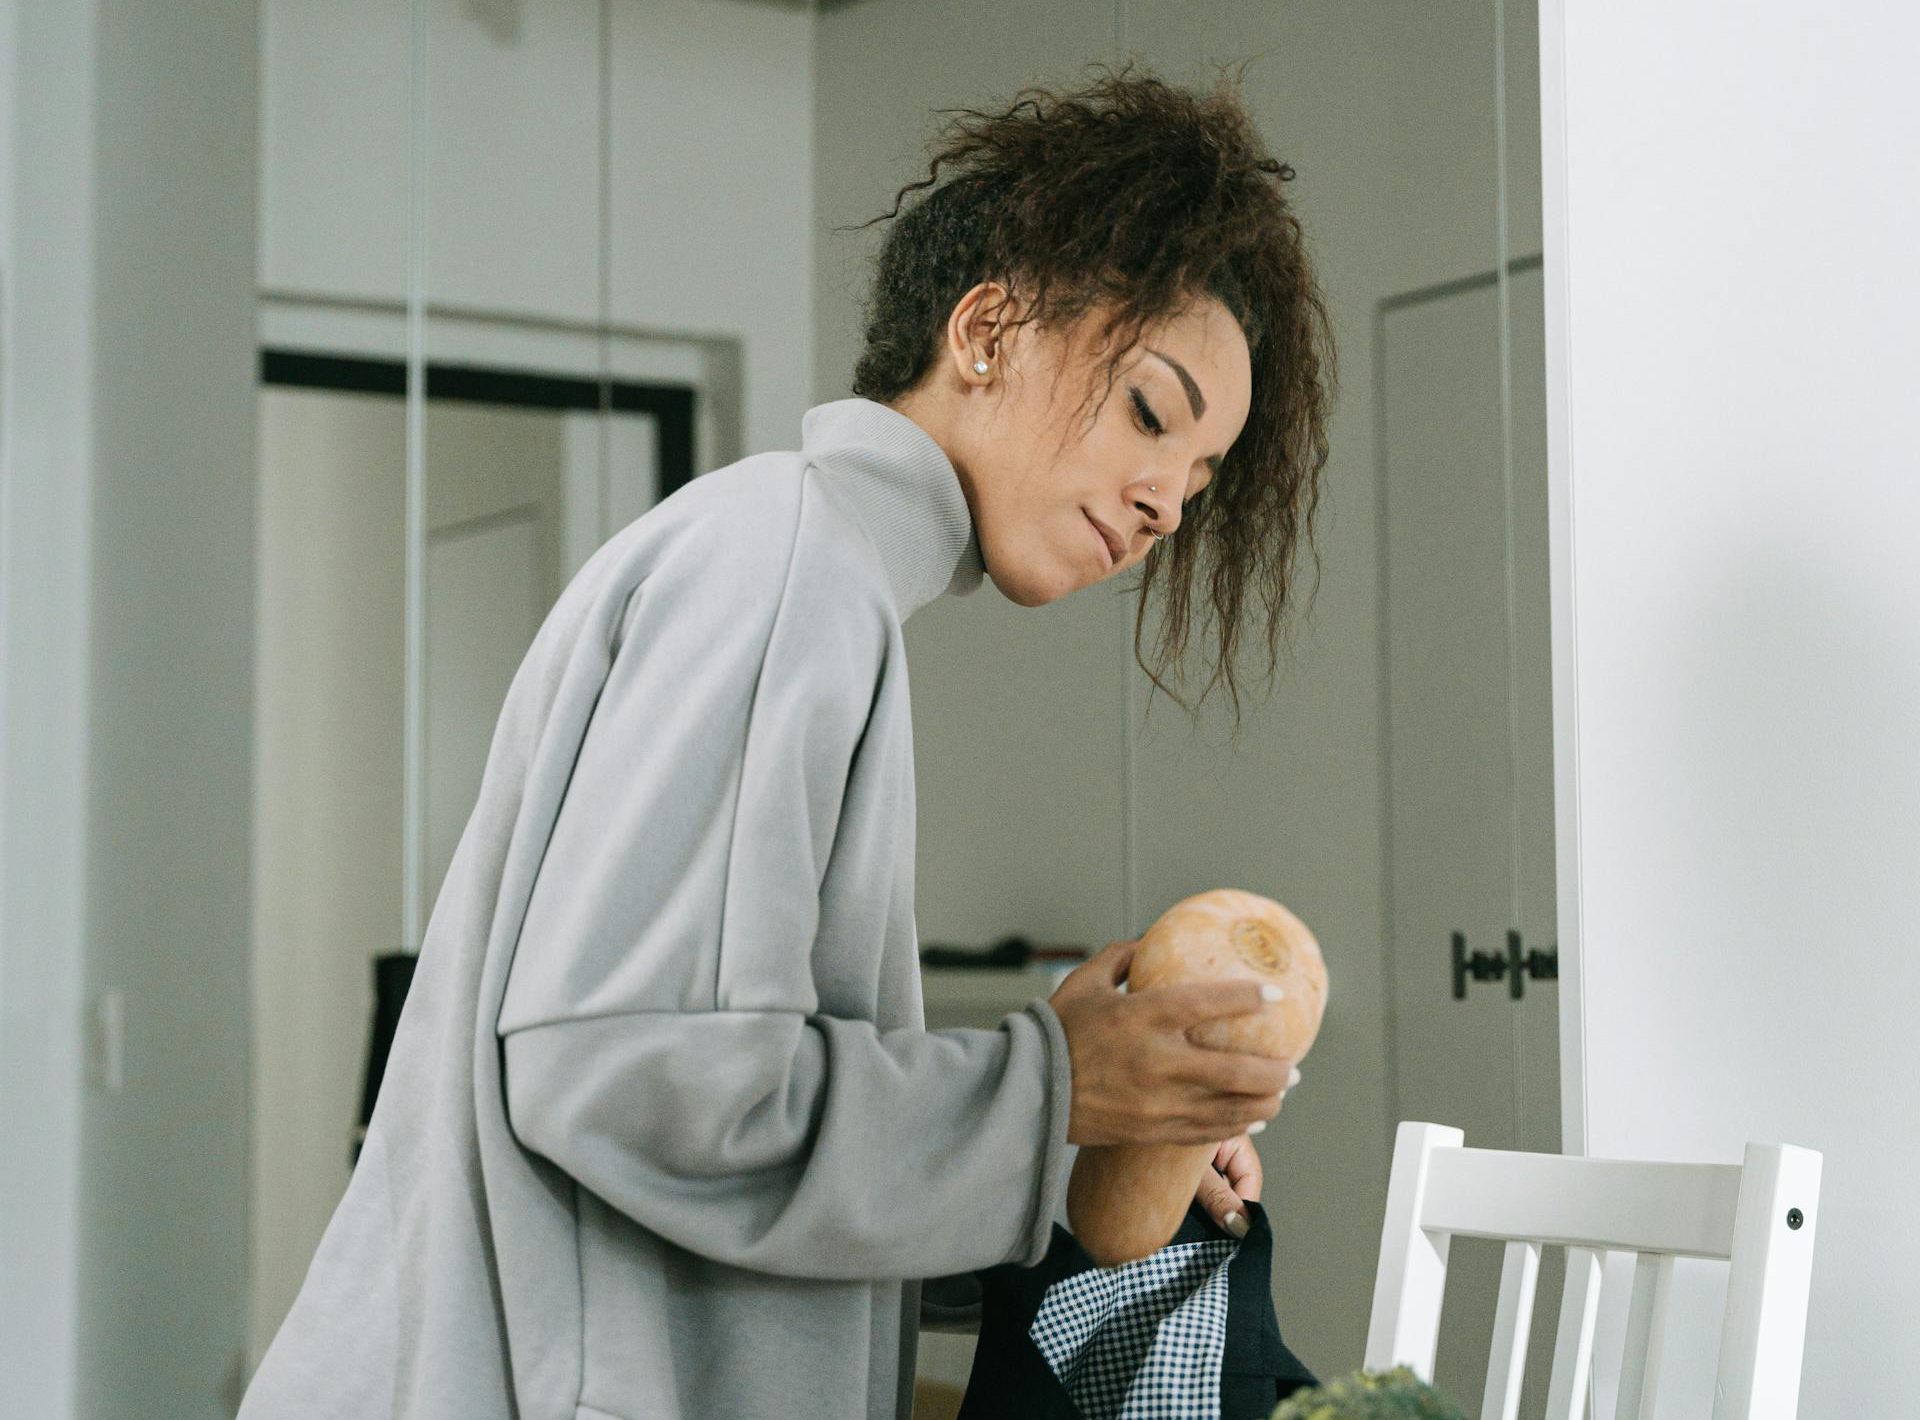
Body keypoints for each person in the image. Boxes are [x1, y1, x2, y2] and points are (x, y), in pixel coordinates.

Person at [238, 59, 1335, 1420]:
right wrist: (1047, 1084)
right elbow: (631, 1077)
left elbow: (697, 1129)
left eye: (1204, 476)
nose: (1169, 500)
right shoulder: (789, 565)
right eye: (1152, 413)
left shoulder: (808, 570)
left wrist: (1070, 1140)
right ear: (986, 330)